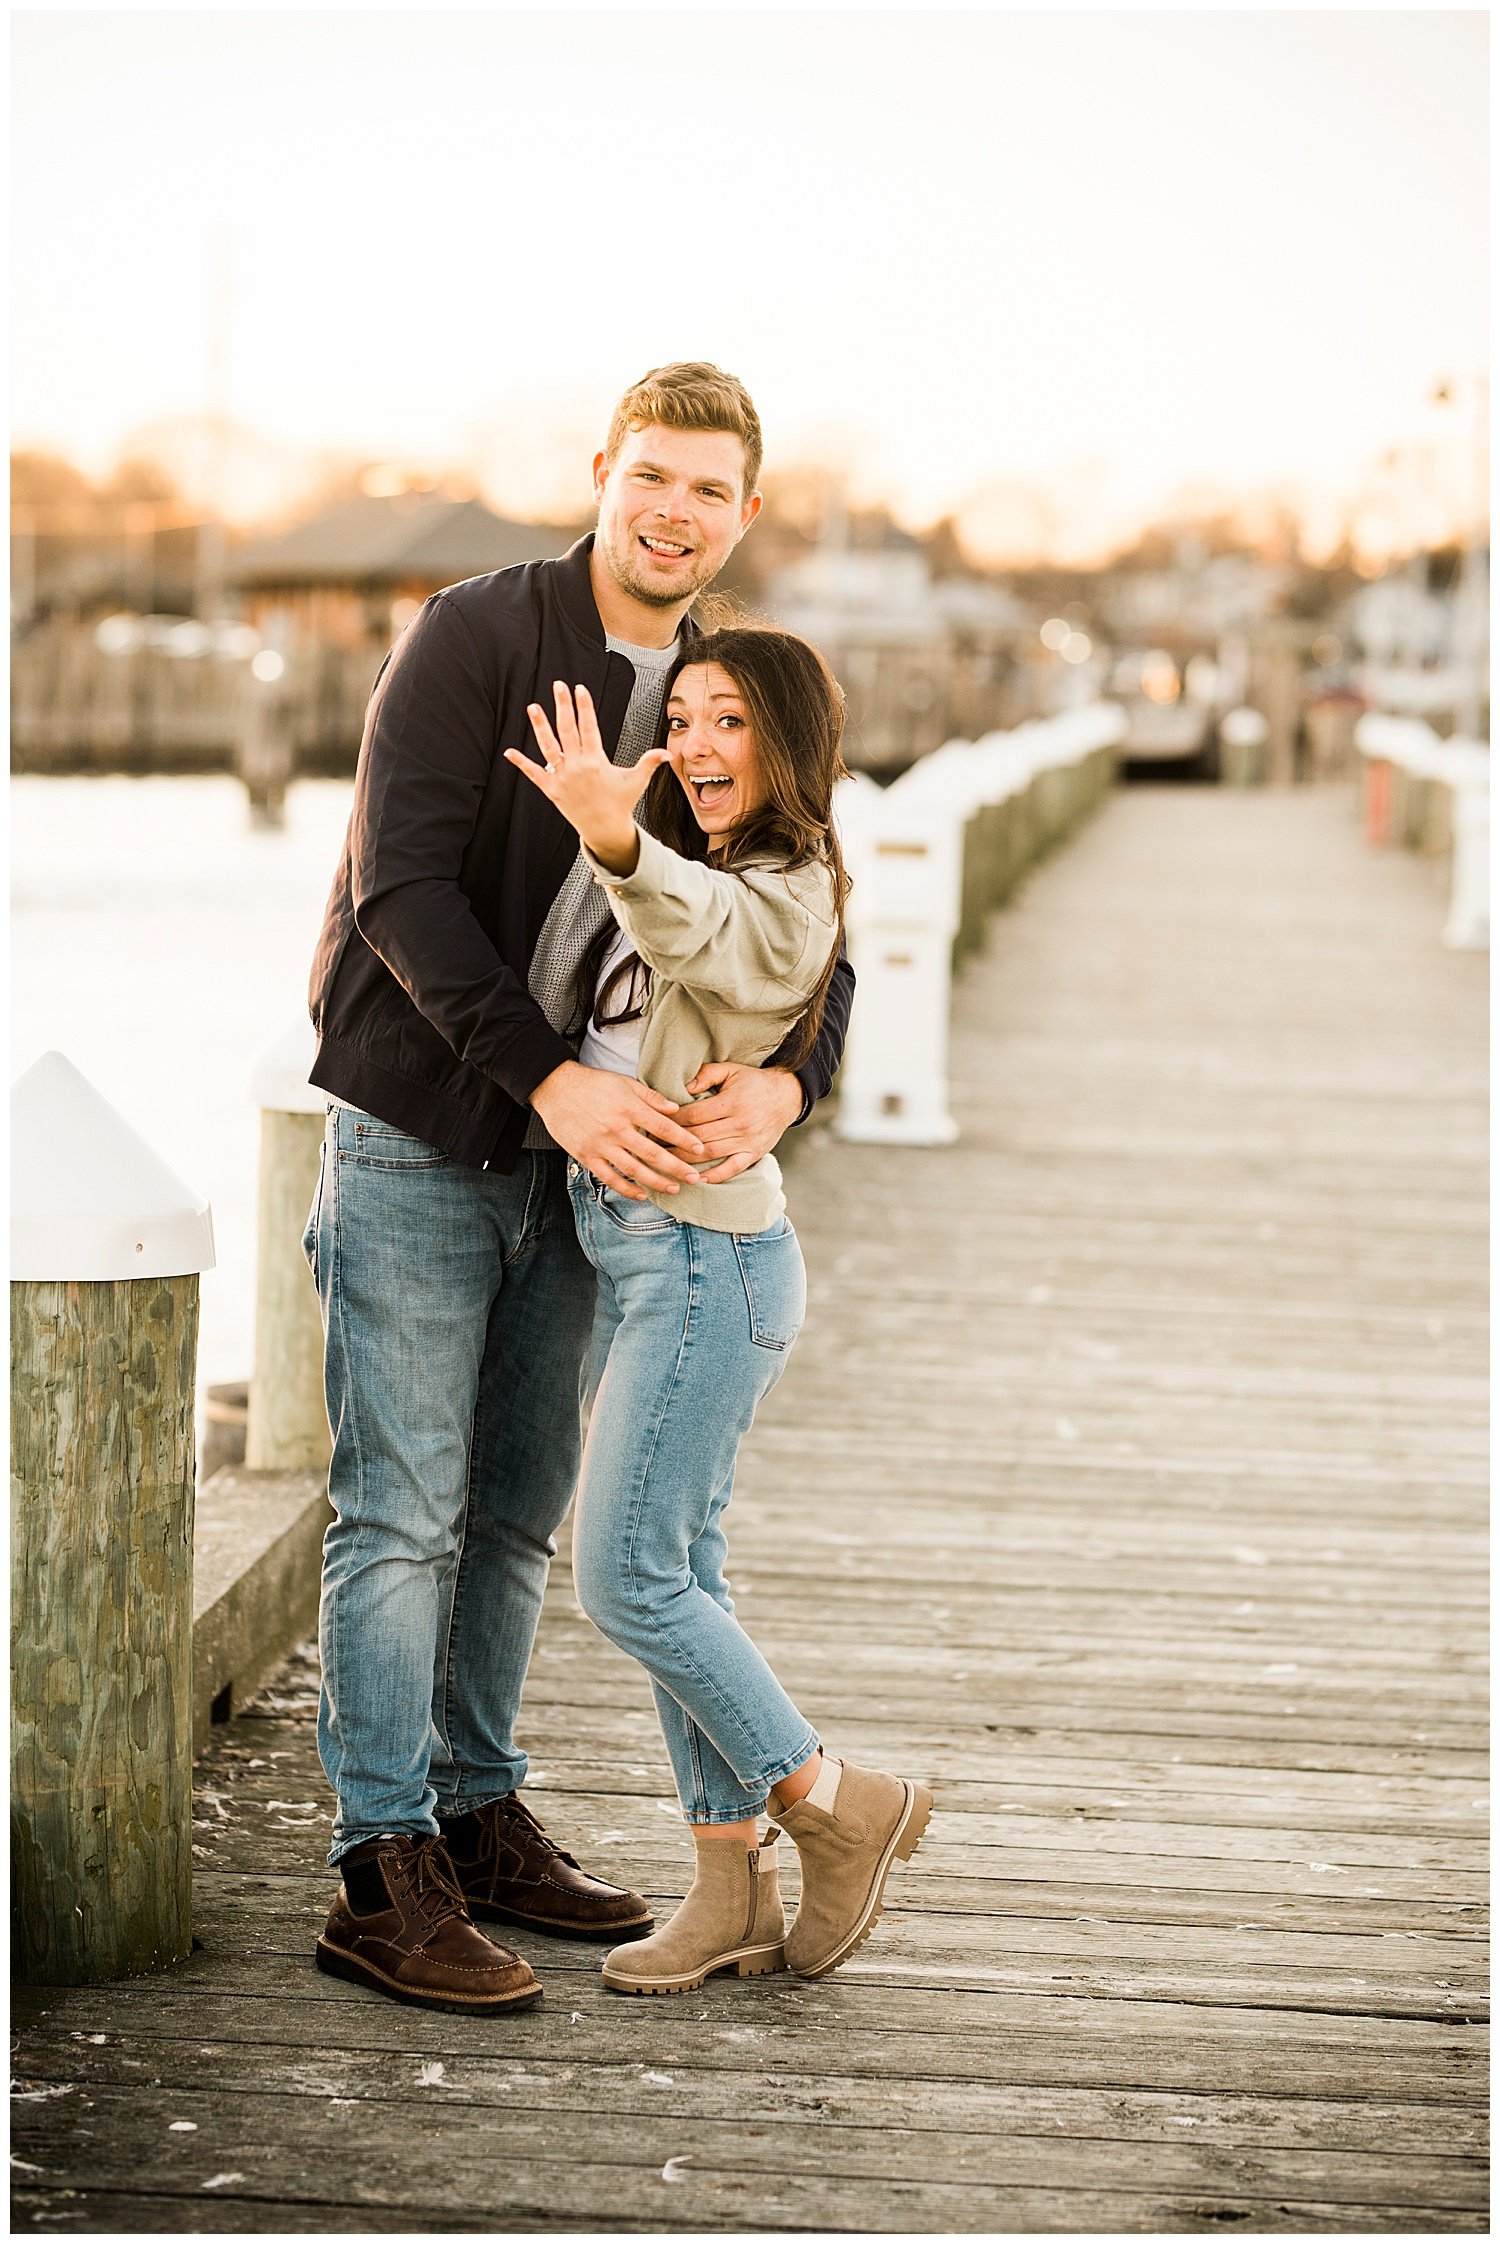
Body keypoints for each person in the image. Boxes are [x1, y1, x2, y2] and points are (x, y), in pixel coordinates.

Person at [304, 364, 855, 2015]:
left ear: (744, 516)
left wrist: (793, 1075)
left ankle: (477, 1813)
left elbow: (806, 889)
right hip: (426, 1131)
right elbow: (395, 885)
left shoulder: (725, 685)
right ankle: (378, 1863)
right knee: (401, 1510)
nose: (675, 513)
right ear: (603, 472)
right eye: (653, 477)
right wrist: (544, 1076)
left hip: (595, 1182)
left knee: (521, 1516)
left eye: (711, 491)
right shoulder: (476, 634)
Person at [504, 637, 930, 1997]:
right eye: (680, 718)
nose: (695, 743)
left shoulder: (789, 883)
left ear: (787, 739)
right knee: (683, 1575)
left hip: (702, 1265)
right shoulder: (687, 860)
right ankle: (728, 1887)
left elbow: (713, 943)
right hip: (644, 1257)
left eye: (728, 720)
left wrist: (616, 836)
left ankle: (835, 1798)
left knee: (624, 1577)